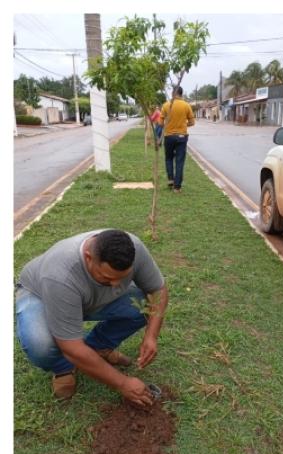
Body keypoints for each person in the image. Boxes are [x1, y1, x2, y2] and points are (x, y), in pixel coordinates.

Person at [15, 229, 169, 406]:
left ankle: (97, 348)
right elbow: (70, 346)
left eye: (123, 277)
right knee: (39, 343)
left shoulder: (134, 249)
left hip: (87, 298)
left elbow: (158, 291)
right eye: (107, 277)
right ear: (89, 258)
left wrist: (151, 336)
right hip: (41, 294)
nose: (116, 285)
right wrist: (123, 383)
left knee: (144, 306)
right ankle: (63, 368)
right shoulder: (60, 276)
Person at [161, 86, 195, 193]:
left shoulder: (167, 105)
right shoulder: (186, 105)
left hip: (169, 137)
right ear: (181, 94)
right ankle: (177, 187)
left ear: (173, 93)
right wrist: (183, 125)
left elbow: (160, 121)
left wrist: (166, 126)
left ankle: (171, 179)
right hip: (181, 137)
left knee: (169, 158)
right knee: (179, 161)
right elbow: (192, 122)